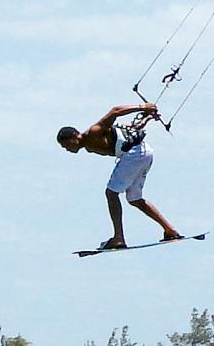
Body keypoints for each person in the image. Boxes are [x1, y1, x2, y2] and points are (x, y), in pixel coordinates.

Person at [56, 102, 185, 251]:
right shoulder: (90, 147)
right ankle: (170, 230)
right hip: (144, 152)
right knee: (135, 199)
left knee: (111, 193)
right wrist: (147, 118)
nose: (67, 149)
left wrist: (143, 107)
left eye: (66, 145)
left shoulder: (93, 132)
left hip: (135, 154)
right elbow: (132, 129)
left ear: (74, 136)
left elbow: (115, 111)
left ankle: (118, 238)